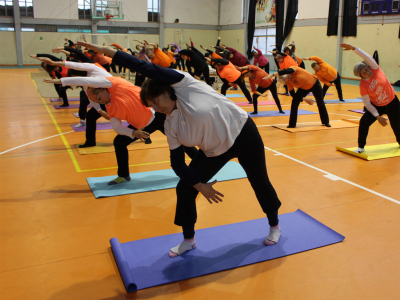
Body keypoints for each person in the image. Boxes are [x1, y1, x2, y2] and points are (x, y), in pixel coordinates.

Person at [76, 41, 282, 257]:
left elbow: (145, 68)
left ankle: (274, 226)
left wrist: (106, 52)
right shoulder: (169, 123)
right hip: (214, 150)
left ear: (168, 91)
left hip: (243, 134)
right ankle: (188, 240)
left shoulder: (187, 87)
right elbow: (176, 162)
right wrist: (199, 185)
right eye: (151, 106)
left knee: (259, 181)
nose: (156, 109)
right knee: (185, 189)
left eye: (157, 102)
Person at [340, 43, 400, 153]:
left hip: (393, 102)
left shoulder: (376, 69)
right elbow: (367, 104)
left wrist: (354, 48)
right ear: (361, 76)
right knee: (364, 122)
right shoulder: (363, 85)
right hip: (378, 106)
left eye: (366, 69)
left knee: (397, 125)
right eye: (364, 72)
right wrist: (378, 116)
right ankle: (360, 147)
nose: (368, 72)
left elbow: (366, 57)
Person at [266, 67, 331, 128]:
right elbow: (293, 94)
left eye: (288, 78)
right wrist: (304, 99)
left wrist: (272, 75)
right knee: (294, 102)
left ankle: (326, 122)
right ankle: (292, 124)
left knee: (320, 102)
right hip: (303, 88)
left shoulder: (295, 70)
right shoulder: (288, 82)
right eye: (287, 80)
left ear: (288, 74)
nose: (289, 79)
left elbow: (286, 70)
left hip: (315, 84)